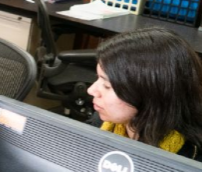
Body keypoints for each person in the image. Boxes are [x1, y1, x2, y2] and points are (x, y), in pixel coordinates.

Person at [87, 27, 202, 161]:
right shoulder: (103, 121)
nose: (91, 90)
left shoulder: (191, 159)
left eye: (107, 86)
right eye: (98, 77)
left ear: (148, 92)